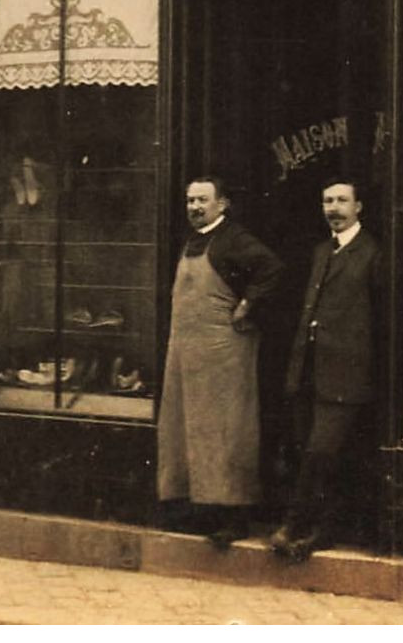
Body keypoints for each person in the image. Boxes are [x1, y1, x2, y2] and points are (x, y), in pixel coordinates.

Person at [156, 176, 283, 549]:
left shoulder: (233, 239)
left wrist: (247, 304)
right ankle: (198, 509)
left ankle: (234, 516)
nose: (195, 207)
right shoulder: (194, 240)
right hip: (187, 351)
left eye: (203, 201)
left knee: (227, 432)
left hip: (223, 353)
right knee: (187, 429)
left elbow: (272, 269)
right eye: (190, 200)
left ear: (222, 204)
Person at [272, 179, 384, 562]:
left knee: (322, 451)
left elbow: (380, 318)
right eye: (327, 201)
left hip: (346, 374)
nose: (333, 208)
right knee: (310, 451)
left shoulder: (371, 253)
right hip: (309, 369)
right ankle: (322, 528)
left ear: (359, 207)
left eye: (341, 201)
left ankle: (296, 525)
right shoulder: (322, 251)